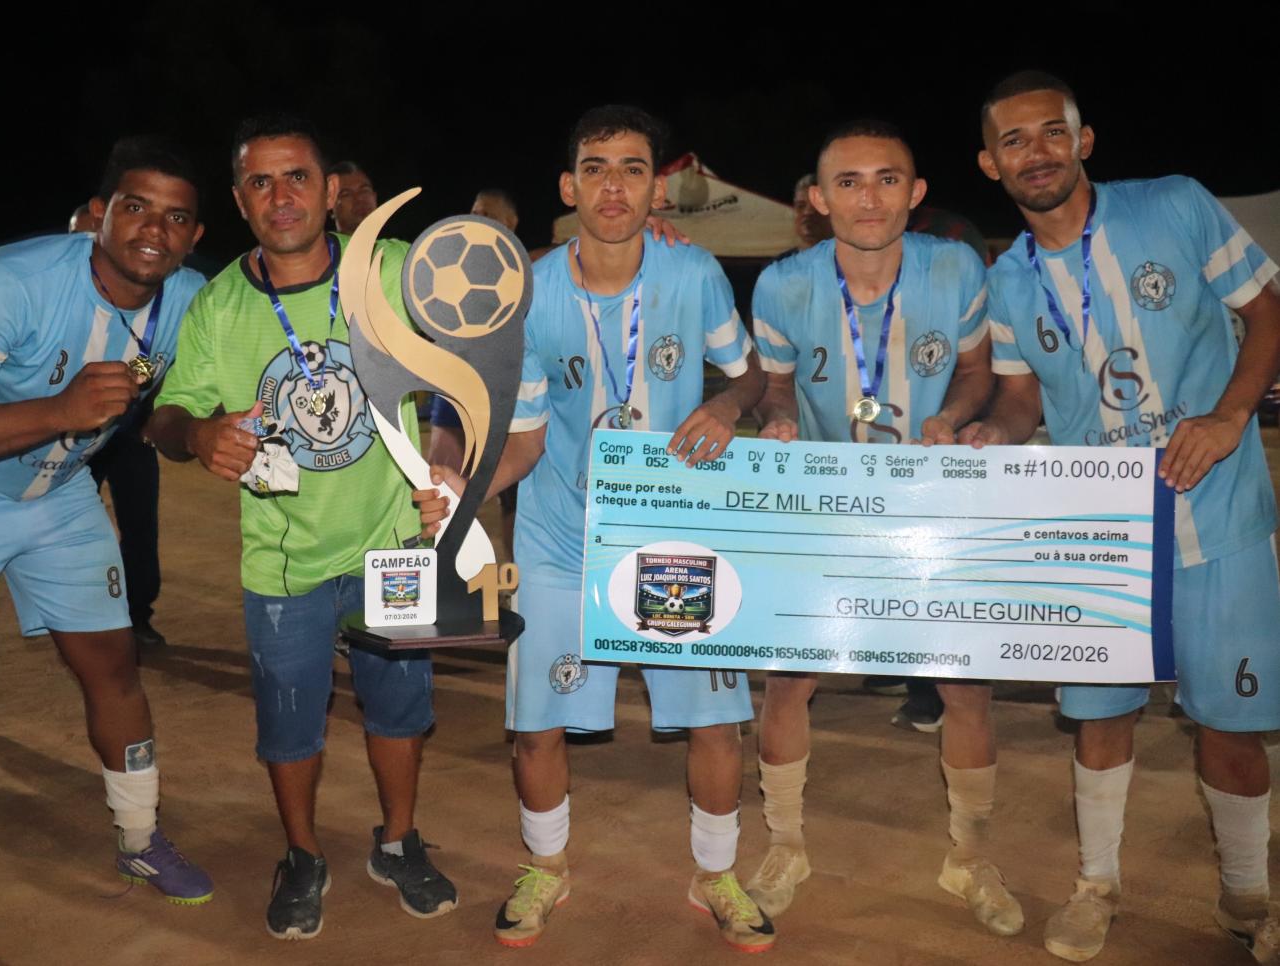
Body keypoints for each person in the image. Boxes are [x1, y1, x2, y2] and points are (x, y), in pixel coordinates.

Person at [417, 104, 771, 952]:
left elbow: (750, 375)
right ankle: (546, 865)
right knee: (535, 722)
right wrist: (461, 490)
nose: (615, 185)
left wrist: (725, 405)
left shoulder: (694, 278)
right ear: (570, 185)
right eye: (598, 168)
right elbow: (529, 439)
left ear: (659, 190)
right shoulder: (527, 292)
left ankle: (717, 874)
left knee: (715, 723)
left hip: (676, 537)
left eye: (635, 168)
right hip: (558, 540)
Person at [967, 69, 1280, 963]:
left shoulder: (1175, 206)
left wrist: (1227, 419)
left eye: (1051, 133)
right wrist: (996, 428)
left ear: (1084, 140)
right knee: (1103, 721)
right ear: (989, 163)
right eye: (1014, 141)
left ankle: (1248, 895)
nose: (1037, 153)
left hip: (1216, 511)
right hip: (1097, 530)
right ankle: (1097, 885)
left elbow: (1267, 314)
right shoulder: (1006, 280)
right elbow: (1024, 401)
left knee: (1229, 721)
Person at [0, 136, 213, 964]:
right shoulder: (13, 279)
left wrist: (196, 432)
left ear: (194, 237)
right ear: (100, 215)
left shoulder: (193, 299)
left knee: (114, 663)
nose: (153, 230)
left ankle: (138, 836)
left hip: (59, 495)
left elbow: (170, 419)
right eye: (135, 206)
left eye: (176, 217)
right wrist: (59, 410)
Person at [147, 113, 455, 941]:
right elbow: (166, 412)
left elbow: (468, 374)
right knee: (289, 721)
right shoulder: (217, 305)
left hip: (397, 544)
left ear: (331, 192)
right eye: (260, 182)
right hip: (283, 561)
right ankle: (303, 853)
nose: (280, 196)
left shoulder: (389, 271)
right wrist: (198, 435)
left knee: (399, 709)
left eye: (297, 178)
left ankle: (397, 840)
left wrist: (446, 458)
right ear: (241, 202)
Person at [747, 120, 1020, 937]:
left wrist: (957, 417)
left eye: (888, 179)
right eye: (851, 182)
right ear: (819, 199)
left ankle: (971, 855)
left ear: (918, 191)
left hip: (930, 510)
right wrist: (781, 420)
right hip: (829, 510)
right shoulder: (783, 285)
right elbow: (776, 388)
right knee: (790, 680)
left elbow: (977, 374)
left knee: (964, 685)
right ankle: (785, 845)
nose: (870, 198)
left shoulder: (957, 266)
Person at [68, 202, 168, 650]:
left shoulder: (153, 296)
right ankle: (85, 617)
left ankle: (138, 615)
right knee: (71, 528)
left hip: (130, 433)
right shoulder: (61, 296)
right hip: (72, 439)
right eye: (79, 237)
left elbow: (158, 364)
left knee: (140, 527)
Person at [428, 189, 522, 557]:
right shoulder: (450, 273)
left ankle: (516, 587)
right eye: (474, 213)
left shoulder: (529, 278)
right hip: (455, 399)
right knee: (439, 486)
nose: (478, 222)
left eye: (489, 215)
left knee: (515, 500)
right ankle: (441, 580)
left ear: (511, 227)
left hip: (513, 406)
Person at [329, 161, 378, 235]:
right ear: (331, 209)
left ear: (375, 197)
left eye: (364, 190)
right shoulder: (324, 246)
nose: (359, 199)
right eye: (346, 194)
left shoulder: (397, 246)